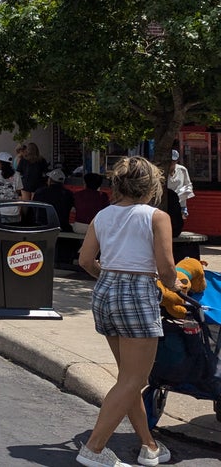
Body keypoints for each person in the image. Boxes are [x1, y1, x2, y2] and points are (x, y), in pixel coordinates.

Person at [75, 156, 176, 467]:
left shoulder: (102, 217)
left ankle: (149, 445)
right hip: (137, 293)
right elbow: (166, 267)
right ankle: (93, 449)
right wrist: (175, 286)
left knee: (128, 378)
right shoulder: (156, 217)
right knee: (135, 377)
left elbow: (85, 260)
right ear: (151, 187)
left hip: (105, 292)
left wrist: (109, 276)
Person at [166, 149, 193, 218]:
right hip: (166, 203)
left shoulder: (182, 170)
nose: (171, 162)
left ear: (177, 160)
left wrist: (184, 193)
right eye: (170, 160)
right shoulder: (162, 171)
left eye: (173, 160)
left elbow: (188, 185)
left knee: (177, 224)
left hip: (180, 204)